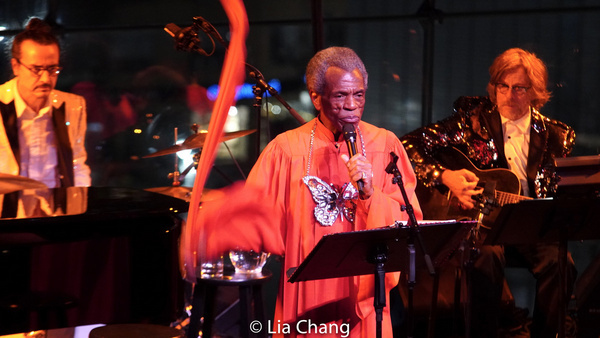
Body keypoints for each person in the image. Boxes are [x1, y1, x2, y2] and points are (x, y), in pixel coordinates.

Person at [197, 46, 422, 337]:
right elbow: (254, 215)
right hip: (307, 291)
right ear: (316, 97)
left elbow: (409, 220)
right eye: (341, 95)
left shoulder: (385, 144)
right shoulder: (286, 149)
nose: (352, 105)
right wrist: (217, 219)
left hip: (363, 287)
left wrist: (370, 195)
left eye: (359, 94)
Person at [400, 47, 577, 337]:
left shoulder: (556, 136)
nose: (509, 95)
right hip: (482, 225)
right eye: (502, 86)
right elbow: (408, 145)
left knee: (562, 263)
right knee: (486, 257)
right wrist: (446, 176)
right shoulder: (473, 119)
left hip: (527, 223)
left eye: (519, 88)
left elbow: (557, 191)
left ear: (535, 91)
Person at [0, 17, 91, 189]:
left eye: (52, 69)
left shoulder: (72, 105)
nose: (45, 79)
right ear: (16, 66)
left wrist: (78, 205)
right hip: (7, 210)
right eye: (36, 69)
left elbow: (77, 164)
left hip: (57, 208)